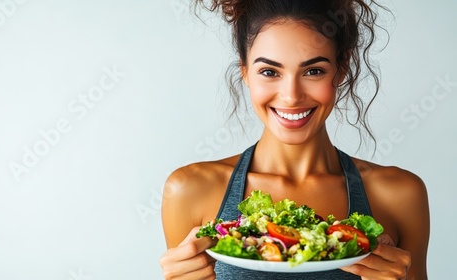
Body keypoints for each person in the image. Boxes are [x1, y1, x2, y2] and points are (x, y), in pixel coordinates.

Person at [159, 0, 430, 279]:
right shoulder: (189, 189)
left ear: (342, 69)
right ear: (245, 72)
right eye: (269, 72)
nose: (291, 96)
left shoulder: (401, 194)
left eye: (314, 71)